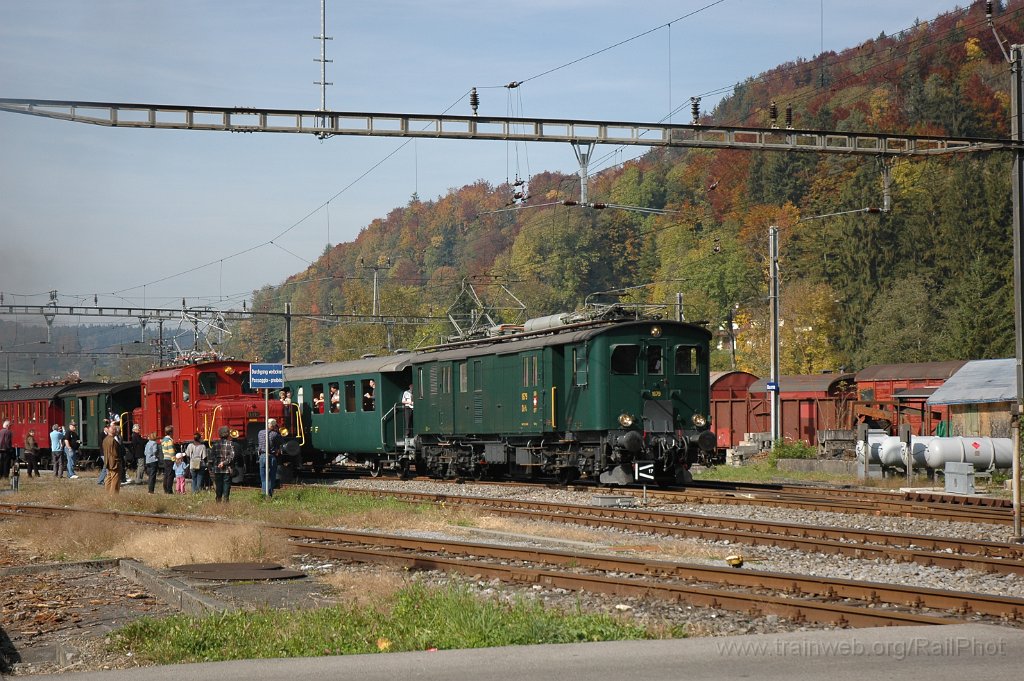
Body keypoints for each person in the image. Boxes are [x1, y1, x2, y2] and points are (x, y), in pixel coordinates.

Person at [209, 426, 235, 503]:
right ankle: (226, 500)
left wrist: (218, 463)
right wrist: (224, 463)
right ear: (228, 434)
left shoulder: (215, 444)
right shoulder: (230, 444)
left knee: (218, 484)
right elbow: (232, 456)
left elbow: (211, 456)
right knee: (226, 484)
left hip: (217, 468)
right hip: (227, 468)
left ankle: (218, 499)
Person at [257, 418, 281, 497]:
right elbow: (281, 441)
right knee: (271, 477)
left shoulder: (260, 432)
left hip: (262, 456)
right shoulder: (275, 434)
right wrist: (277, 430)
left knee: (263, 477)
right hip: (271, 456)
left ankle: (264, 494)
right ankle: (269, 494)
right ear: (274, 426)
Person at [102, 423, 121, 496]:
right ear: (112, 431)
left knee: (109, 478)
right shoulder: (112, 440)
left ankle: (107, 493)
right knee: (115, 479)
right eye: (115, 430)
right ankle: (113, 495)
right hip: (114, 462)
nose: (116, 431)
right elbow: (114, 453)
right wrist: (118, 459)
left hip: (107, 461)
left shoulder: (105, 439)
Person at [161, 426, 175, 494]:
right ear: (170, 432)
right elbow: (171, 451)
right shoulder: (169, 441)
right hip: (170, 459)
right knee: (170, 475)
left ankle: (165, 488)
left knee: (166, 474)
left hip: (165, 458)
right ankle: (169, 490)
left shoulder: (163, 440)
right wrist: (174, 459)